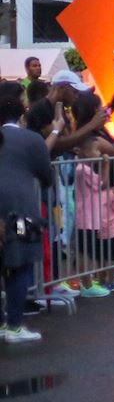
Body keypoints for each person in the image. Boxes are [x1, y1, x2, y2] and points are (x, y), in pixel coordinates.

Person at [0, 82, 53, 343]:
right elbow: (47, 176)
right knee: (21, 263)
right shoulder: (31, 139)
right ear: (21, 110)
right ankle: (14, 325)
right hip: (21, 213)